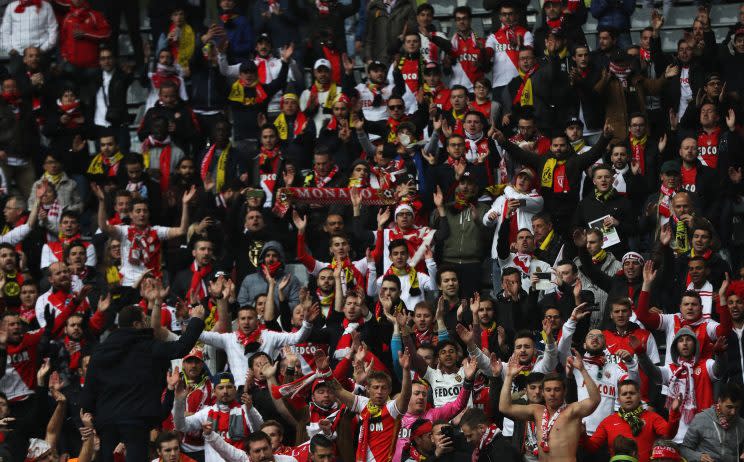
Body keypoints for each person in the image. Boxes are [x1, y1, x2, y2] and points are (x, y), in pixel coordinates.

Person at [80, 303, 206, 462]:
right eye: (144, 320)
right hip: (136, 421)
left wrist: (89, 416)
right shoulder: (148, 346)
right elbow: (180, 348)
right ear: (136, 325)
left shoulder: (100, 351)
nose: (147, 323)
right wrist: (195, 320)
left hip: (107, 421)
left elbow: (90, 390)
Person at [499, 349, 600, 462]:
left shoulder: (573, 411)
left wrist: (582, 370)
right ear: (543, 392)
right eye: (548, 390)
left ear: (564, 391)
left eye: (557, 389)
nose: (552, 394)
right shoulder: (537, 410)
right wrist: (508, 376)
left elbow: (595, 400)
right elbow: (504, 407)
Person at [584, 380, 680, 462]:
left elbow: (669, 434)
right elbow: (591, 447)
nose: (628, 396)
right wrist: (582, 435)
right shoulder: (608, 421)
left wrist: (674, 412)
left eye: (632, 393)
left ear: (639, 396)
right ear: (618, 399)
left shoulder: (652, 417)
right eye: (624, 394)